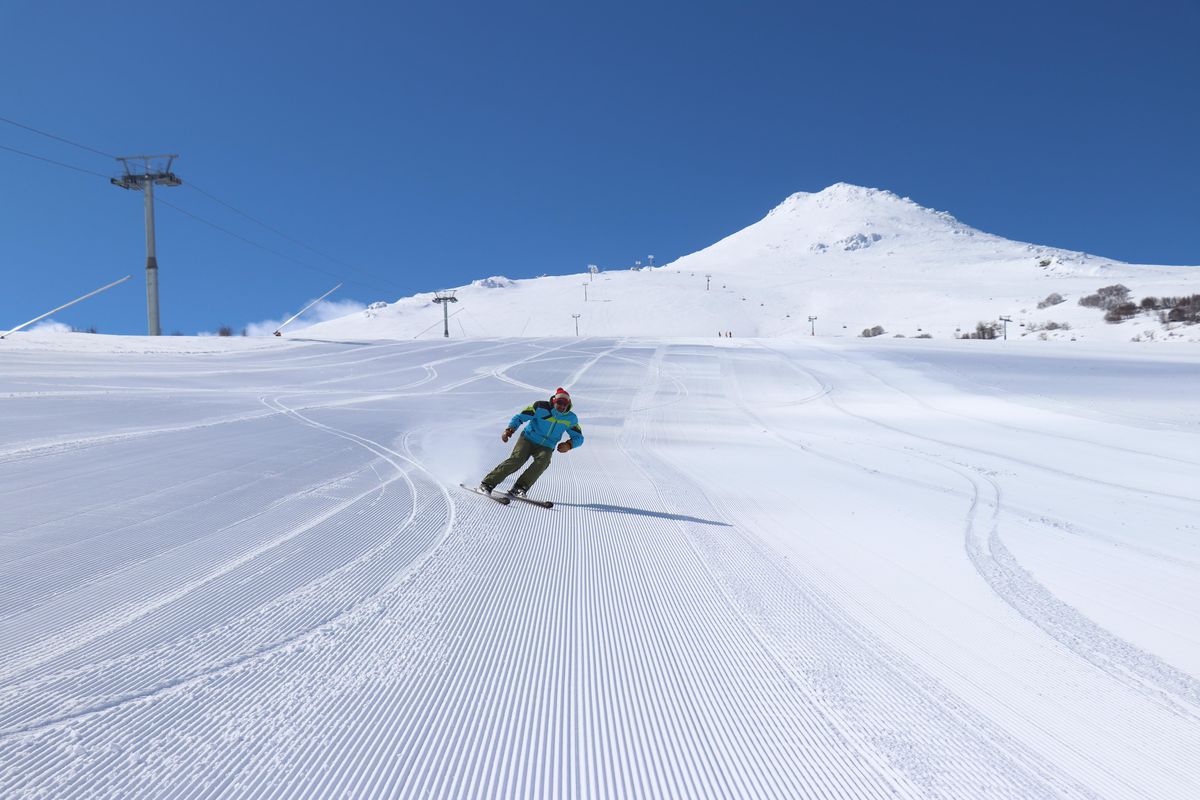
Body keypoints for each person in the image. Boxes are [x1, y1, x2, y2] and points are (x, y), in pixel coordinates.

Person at [479, 387, 584, 497]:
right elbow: (520, 417)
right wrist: (510, 429)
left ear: (568, 404)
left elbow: (579, 437)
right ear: (554, 401)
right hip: (528, 439)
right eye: (559, 403)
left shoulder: (571, 418)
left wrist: (569, 445)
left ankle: (519, 488)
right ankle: (487, 484)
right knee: (517, 460)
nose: (562, 406)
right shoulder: (540, 407)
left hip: (547, 446)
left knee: (543, 462)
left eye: (565, 404)